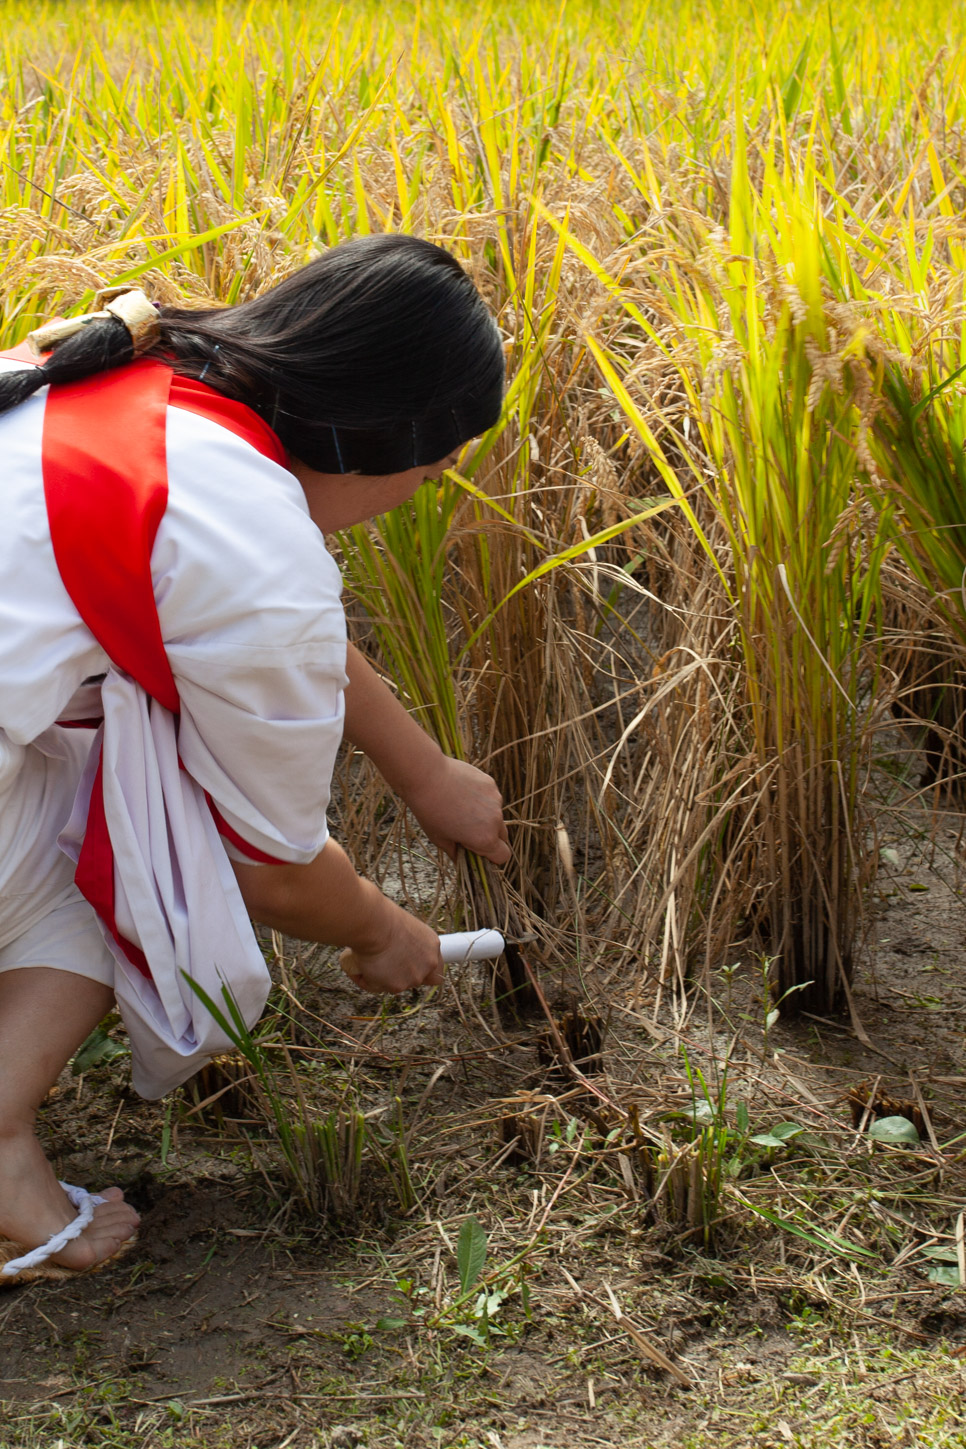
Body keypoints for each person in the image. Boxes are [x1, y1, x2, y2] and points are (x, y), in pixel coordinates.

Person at [0, 234, 510, 1283]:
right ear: (388, 435)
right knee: (137, 851)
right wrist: (382, 931)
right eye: (435, 469)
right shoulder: (251, 546)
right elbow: (266, 868)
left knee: (90, 786)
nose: (418, 492)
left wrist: (424, 774)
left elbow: (227, 610)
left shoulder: (136, 382)